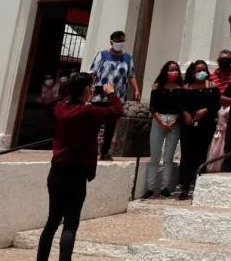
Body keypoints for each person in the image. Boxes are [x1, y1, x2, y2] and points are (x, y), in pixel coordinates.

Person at [35, 72, 122, 261]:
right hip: (76, 175)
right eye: (91, 86)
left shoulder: (60, 108)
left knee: (52, 221)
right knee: (70, 225)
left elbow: (64, 101)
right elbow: (117, 112)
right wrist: (111, 94)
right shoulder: (88, 112)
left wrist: (82, 95)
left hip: (56, 172)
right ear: (85, 90)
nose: (93, 89)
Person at [89, 31, 141, 161]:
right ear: (112, 41)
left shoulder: (128, 58)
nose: (120, 43)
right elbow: (93, 73)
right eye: (117, 41)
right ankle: (90, 149)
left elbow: (131, 75)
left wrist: (136, 89)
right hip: (100, 97)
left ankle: (105, 151)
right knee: (94, 125)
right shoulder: (103, 55)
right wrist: (90, 89)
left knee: (111, 126)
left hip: (117, 97)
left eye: (122, 41)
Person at [176, 60, 220, 200]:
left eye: (204, 70)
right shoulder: (186, 87)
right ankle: (184, 186)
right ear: (193, 72)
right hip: (188, 125)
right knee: (187, 155)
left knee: (201, 155)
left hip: (206, 125)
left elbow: (216, 104)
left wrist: (205, 111)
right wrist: (186, 114)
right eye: (198, 70)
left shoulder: (212, 87)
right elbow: (179, 104)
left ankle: (197, 185)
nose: (201, 73)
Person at [142, 60, 183, 199]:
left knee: (168, 157)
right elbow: (152, 106)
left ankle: (165, 187)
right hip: (159, 119)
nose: (174, 72)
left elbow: (182, 108)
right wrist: (160, 121)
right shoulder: (157, 86)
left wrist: (174, 121)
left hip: (174, 120)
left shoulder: (181, 88)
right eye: (171, 70)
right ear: (165, 71)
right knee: (155, 156)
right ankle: (150, 187)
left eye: (176, 70)